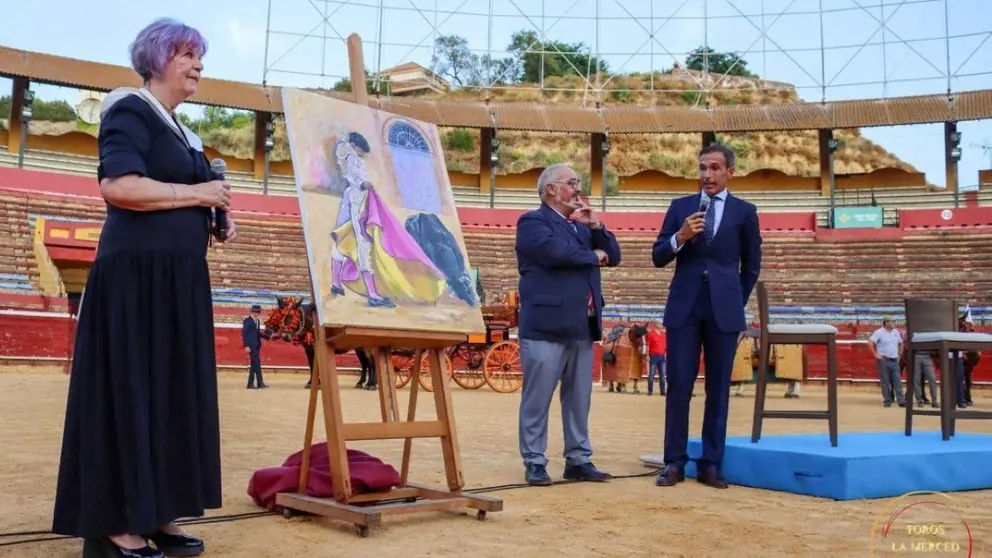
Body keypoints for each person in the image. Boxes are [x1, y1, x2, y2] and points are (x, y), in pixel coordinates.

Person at [52, 18, 232, 558]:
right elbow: (119, 185)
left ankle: (156, 513)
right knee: (129, 391)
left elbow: (187, 195)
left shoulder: (184, 131)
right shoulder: (128, 107)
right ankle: (113, 522)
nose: (198, 64)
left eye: (200, 55)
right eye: (187, 55)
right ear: (157, 59)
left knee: (166, 394)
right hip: (135, 279)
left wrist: (213, 208)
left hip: (176, 281)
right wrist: (196, 192)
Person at [651, 143, 762, 490]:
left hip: (723, 310)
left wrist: (733, 302)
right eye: (702, 168)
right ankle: (674, 462)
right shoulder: (680, 207)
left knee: (718, 389)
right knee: (679, 385)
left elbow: (751, 268)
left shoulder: (745, 212)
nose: (707, 175)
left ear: (730, 172)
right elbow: (658, 256)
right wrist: (680, 237)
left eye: (715, 168)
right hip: (685, 306)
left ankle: (711, 463)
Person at [514, 163, 621, 486]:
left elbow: (614, 254)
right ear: (551, 190)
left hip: (581, 323)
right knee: (538, 397)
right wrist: (595, 256)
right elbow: (555, 253)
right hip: (546, 324)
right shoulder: (532, 222)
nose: (578, 188)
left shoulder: (583, 227)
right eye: (571, 183)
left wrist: (597, 225)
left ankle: (578, 459)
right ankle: (534, 460)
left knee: (579, 398)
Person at [869, 318, 906, 408]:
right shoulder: (879, 332)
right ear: (886, 323)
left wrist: (900, 354)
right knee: (885, 382)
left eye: (894, 321)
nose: (894, 323)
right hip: (884, 360)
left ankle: (901, 400)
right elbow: (870, 343)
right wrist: (875, 355)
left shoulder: (896, 332)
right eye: (892, 321)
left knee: (897, 381)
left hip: (894, 360)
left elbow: (901, 343)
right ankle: (887, 400)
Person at [242, 304, 271, 389]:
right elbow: (244, 334)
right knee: (256, 363)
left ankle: (251, 384)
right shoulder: (247, 321)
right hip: (251, 345)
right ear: (252, 312)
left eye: (258, 312)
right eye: (255, 312)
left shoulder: (257, 321)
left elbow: (258, 333)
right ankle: (259, 383)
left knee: (254, 364)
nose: (256, 313)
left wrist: (268, 337)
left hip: (257, 345)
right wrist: (246, 345)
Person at [645, 321, 667, 396]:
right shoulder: (650, 334)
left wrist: (665, 354)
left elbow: (665, 346)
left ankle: (663, 391)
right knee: (651, 374)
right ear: (656, 325)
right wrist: (647, 355)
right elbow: (648, 345)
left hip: (662, 356)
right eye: (660, 324)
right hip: (653, 356)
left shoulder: (663, 334)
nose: (662, 325)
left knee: (662, 375)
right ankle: (650, 391)